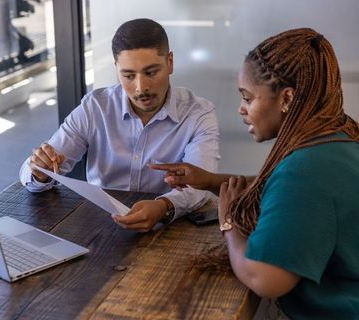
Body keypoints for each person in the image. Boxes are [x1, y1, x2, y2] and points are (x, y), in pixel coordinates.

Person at [151, 28, 359, 319]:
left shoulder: (305, 171)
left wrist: (228, 222)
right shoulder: (336, 135)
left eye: (248, 98)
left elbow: (265, 279)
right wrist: (212, 181)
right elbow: (288, 195)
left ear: (286, 98)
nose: (241, 109)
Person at [19, 18, 220, 232]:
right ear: (117, 69)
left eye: (151, 72)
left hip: (168, 228)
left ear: (170, 62)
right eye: (129, 75)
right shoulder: (95, 108)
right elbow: (32, 172)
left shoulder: (199, 114)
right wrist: (40, 172)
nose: (141, 88)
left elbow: (202, 185)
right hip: (99, 226)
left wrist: (164, 206)